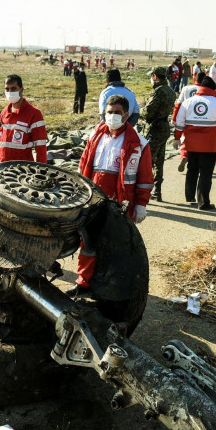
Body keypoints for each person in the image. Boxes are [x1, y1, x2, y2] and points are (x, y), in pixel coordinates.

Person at [74, 94, 153, 294]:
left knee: (116, 243)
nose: (112, 116)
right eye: (109, 112)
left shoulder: (139, 144)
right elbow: (83, 165)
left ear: (126, 115)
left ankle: (110, 287)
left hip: (120, 201)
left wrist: (141, 204)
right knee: (88, 241)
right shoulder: (95, 136)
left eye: (117, 113)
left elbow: (145, 177)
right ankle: (84, 282)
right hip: (92, 197)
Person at [173, 76, 216, 210]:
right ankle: (203, 202)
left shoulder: (188, 102)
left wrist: (177, 138)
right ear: (213, 89)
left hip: (191, 144)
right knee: (206, 173)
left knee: (192, 169)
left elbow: (179, 123)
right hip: (209, 145)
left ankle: (189, 196)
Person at [140, 66, 176, 201]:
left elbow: (148, 112)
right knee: (159, 161)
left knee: (146, 160)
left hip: (154, 129)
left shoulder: (158, 92)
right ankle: (157, 190)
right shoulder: (171, 91)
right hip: (164, 127)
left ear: (155, 76)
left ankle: (144, 190)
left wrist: (142, 111)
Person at [0, 74, 47, 163]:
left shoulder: (34, 114)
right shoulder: (4, 113)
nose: (10, 92)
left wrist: (41, 171)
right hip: (2, 166)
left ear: (21, 90)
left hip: (22, 169)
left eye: (13, 88)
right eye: (7, 89)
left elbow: (41, 147)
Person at [171, 71, 205, 172]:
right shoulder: (205, 90)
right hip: (201, 119)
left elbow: (178, 104)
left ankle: (184, 156)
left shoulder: (186, 88)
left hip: (186, 118)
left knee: (185, 139)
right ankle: (197, 162)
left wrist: (174, 118)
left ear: (195, 78)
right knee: (199, 141)